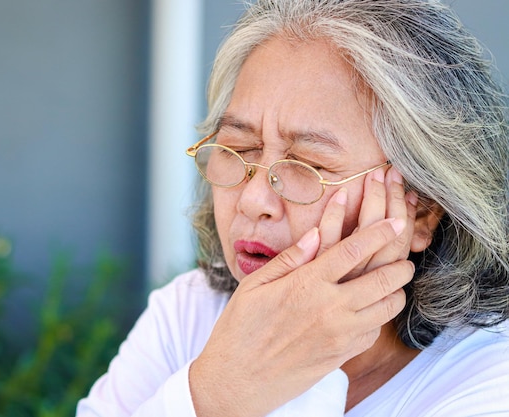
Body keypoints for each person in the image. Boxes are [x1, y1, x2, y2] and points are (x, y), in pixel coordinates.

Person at [77, 0, 509, 415]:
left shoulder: (490, 380)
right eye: (240, 147)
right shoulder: (188, 311)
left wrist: (297, 365)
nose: (253, 200)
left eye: (307, 164)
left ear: (421, 212)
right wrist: (217, 390)